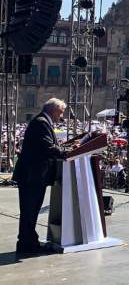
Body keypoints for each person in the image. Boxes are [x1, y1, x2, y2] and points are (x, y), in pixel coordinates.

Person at [12, 98, 66, 257]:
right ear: (54, 110)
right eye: (60, 112)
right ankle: (26, 244)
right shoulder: (41, 123)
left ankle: (28, 242)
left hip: (33, 176)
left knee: (31, 211)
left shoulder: (41, 121)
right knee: (29, 211)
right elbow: (47, 147)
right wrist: (65, 153)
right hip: (32, 176)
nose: (61, 116)